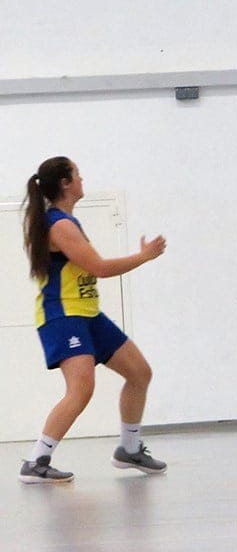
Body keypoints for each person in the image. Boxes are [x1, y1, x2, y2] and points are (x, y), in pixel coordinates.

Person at [19, 157, 167, 484]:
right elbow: (99, 268)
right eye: (77, 174)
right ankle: (37, 460)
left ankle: (129, 449)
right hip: (63, 315)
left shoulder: (68, 222)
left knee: (139, 372)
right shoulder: (59, 225)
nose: (82, 178)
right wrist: (144, 257)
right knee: (82, 387)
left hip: (87, 314)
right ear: (65, 183)